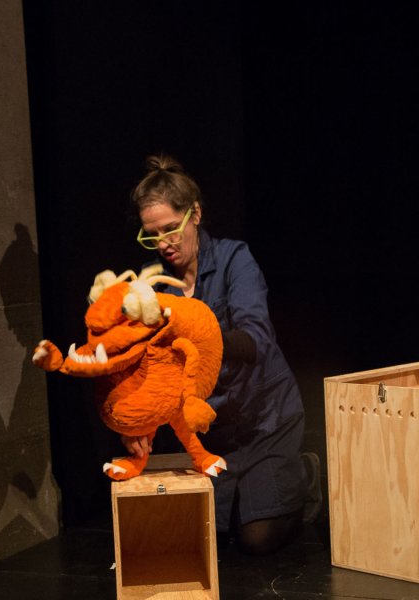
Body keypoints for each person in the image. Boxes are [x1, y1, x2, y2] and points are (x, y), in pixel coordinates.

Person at [121, 153, 321, 553]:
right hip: (213, 430)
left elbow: (256, 341)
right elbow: (149, 364)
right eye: (152, 235)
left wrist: (192, 330)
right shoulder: (153, 285)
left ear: (194, 214)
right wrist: (137, 424)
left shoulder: (234, 259)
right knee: (206, 534)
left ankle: (306, 472)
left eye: (170, 229)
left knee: (258, 540)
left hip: (264, 417)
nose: (164, 244)